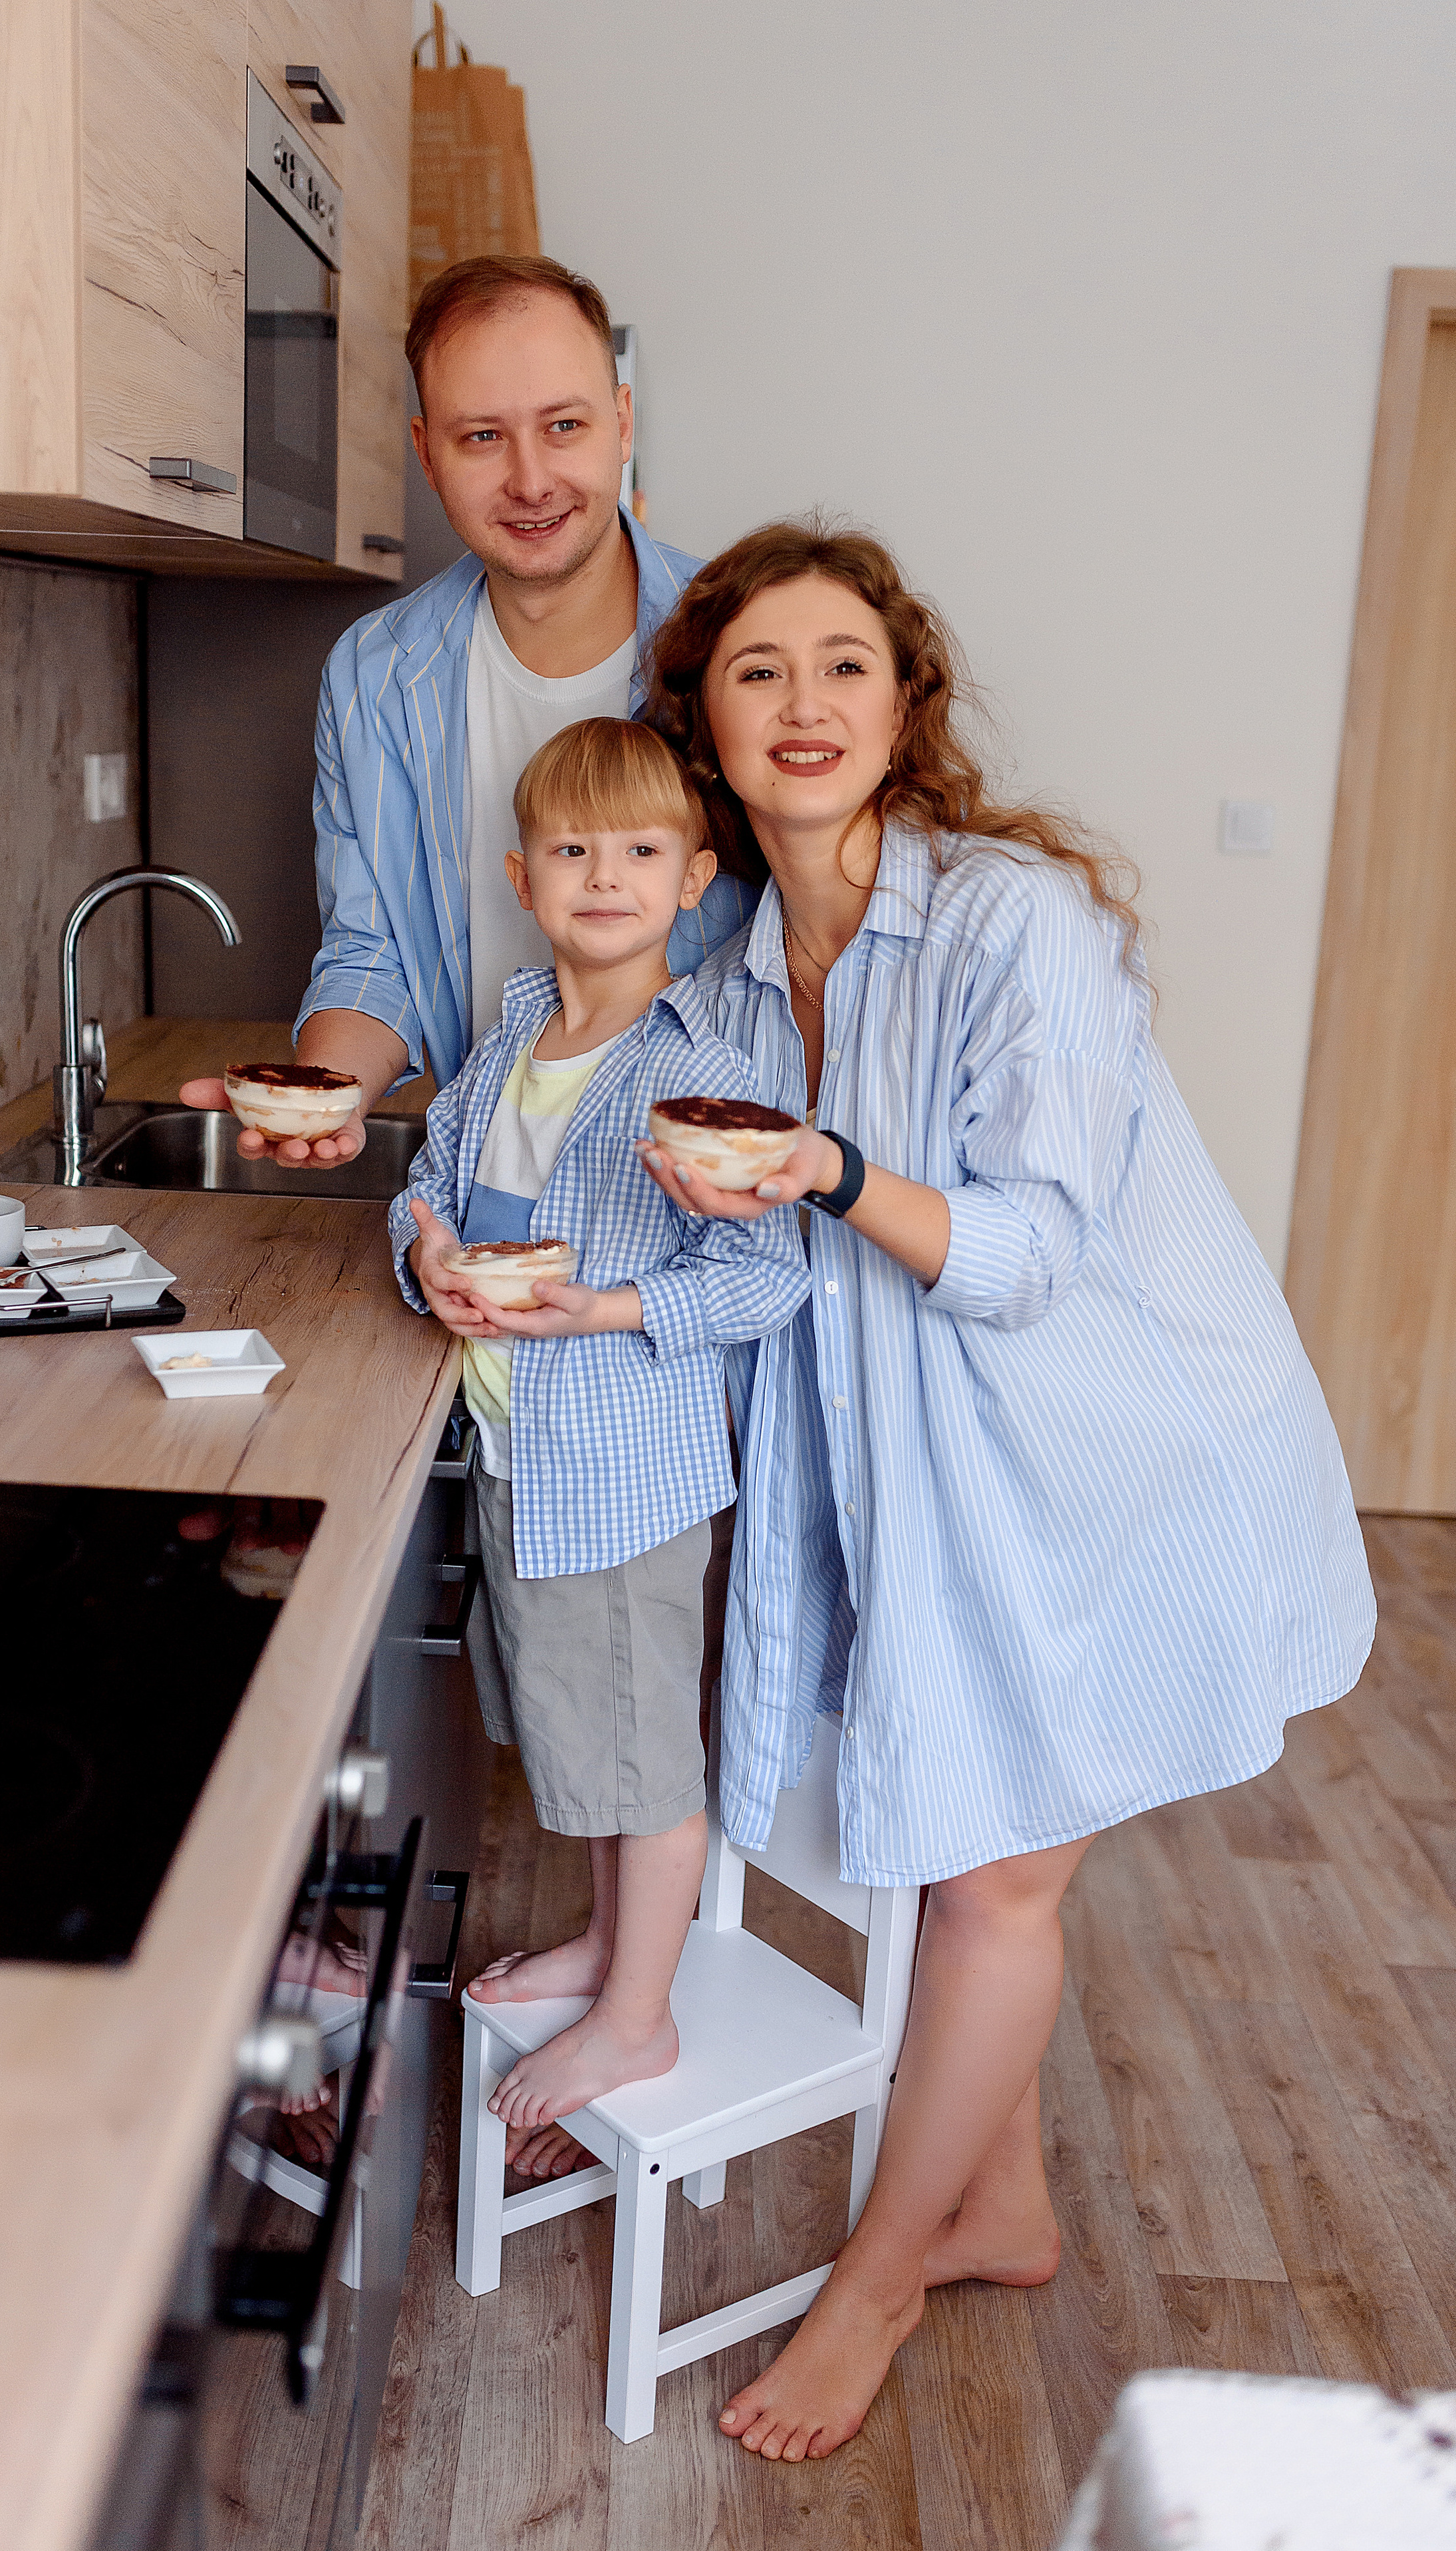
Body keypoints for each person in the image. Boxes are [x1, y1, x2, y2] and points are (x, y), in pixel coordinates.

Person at [633, 520, 1376, 2463]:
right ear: (702, 724)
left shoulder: (1008, 923)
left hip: (1103, 1449)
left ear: (907, 705)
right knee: (982, 1817)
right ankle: (1012, 2204)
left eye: (846, 666)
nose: (806, 705)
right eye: (760, 670)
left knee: (997, 1872)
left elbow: (1031, 1256)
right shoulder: (718, 983)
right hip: (931, 1458)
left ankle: (878, 2279)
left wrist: (818, 1170)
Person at [389, 719, 807, 2124]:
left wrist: (607, 1311)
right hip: (517, 1451)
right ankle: (605, 1945)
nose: (604, 875)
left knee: (642, 1760)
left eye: (638, 850)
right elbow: (428, 1187)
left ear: (694, 877)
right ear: (523, 876)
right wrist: (427, 1258)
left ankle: (636, 2019)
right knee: (585, 1740)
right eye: (572, 850)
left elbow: (764, 1274)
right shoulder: (515, 1032)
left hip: (620, 1472)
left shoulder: (710, 1059)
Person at [180, 254, 755, 1163]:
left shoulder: (744, 645)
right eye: (482, 437)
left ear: (622, 424)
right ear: (427, 453)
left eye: (564, 425)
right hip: (492, 1191)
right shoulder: (373, 674)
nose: (530, 481)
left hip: (698, 1197)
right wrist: (320, 1096)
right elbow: (374, 951)